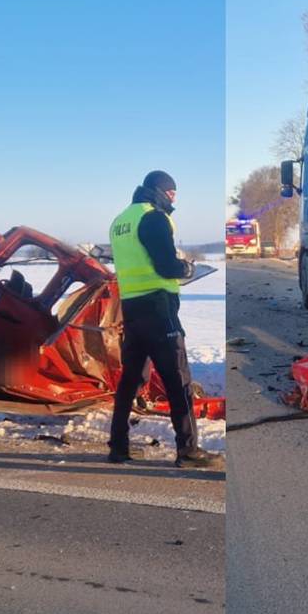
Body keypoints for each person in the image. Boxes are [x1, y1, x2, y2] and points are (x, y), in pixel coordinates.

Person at [107, 170, 220, 468]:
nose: (173, 199)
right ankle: (188, 450)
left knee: (130, 379)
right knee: (177, 380)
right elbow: (166, 266)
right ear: (161, 191)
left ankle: (118, 446)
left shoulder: (120, 222)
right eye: (172, 193)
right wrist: (186, 268)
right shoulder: (154, 218)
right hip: (159, 310)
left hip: (131, 309)